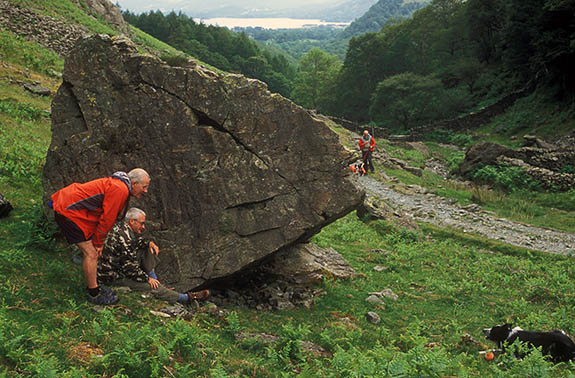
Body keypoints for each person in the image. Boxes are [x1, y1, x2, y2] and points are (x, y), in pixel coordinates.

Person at [50, 168, 150, 305]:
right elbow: (107, 219)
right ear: (133, 183)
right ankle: (94, 294)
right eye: (144, 187)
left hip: (68, 207)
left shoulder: (118, 185)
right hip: (68, 211)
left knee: (90, 252)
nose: (146, 191)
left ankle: (93, 285)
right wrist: (98, 243)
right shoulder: (120, 189)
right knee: (91, 253)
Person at [98, 207, 210, 305]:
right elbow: (130, 269)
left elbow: (135, 244)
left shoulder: (122, 227)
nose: (143, 227)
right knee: (151, 286)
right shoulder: (124, 238)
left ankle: (156, 281)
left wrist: (148, 243)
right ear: (132, 221)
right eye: (142, 223)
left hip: (118, 268)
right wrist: (147, 279)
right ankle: (186, 298)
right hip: (113, 277)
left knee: (147, 248)